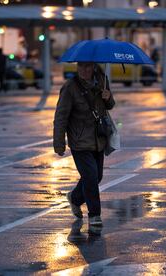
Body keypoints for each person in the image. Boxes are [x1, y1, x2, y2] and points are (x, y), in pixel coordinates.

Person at [53, 63, 115, 227]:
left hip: (98, 139)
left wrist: (108, 98)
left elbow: (110, 105)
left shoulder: (102, 81)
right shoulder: (70, 87)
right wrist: (59, 143)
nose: (83, 70)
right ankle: (95, 215)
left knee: (97, 176)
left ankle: (74, 198)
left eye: (87, 67)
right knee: (90, 176)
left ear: (93, 67)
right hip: (79, 141)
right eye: (81, 66)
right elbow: (61, 116)